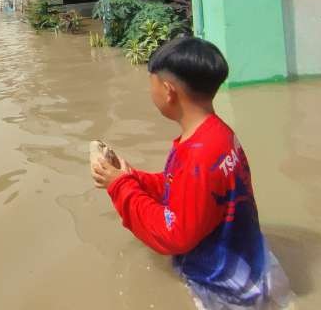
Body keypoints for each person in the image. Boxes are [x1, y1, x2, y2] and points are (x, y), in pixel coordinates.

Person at [90, 37, 291, 309]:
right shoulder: (217, 133)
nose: (151, 94)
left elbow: (174, 236)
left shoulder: (198, 155)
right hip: (251, 262)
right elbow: (181, 187)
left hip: (223, 284)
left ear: (168, 91)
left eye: (151, 84)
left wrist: (120, 188)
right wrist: (132, 178)